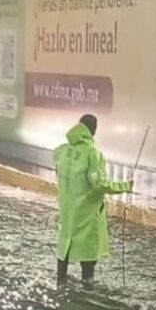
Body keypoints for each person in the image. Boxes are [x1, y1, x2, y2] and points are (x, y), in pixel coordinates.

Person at [54, 114, 132, 285]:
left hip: (68, 214)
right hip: (86, 215)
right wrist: (125, 187)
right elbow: (99, 185)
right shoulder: (92, 154)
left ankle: (60, 285)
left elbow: (58, 173)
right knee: (88, 259)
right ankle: (87, 290)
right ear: (93, 130)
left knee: (64, 249)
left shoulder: (61, 151)